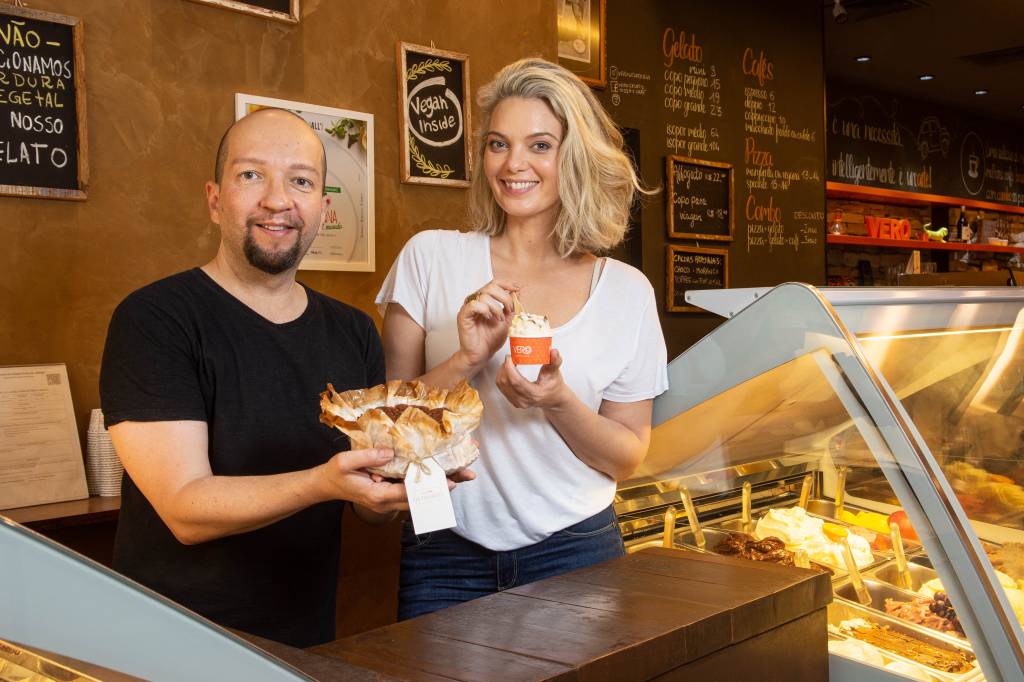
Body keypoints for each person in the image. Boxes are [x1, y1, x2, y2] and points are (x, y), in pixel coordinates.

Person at [99, 108, 419, 647]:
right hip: (169, 646)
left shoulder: (354, 331)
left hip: (304, 644)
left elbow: (368, 512)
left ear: (323, 209)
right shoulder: (155, 319)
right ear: (214, 200)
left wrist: (404, 480)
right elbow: (184, 509)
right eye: (251, 175)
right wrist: (322, 482)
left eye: (301, 181)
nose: (277, 200)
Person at [377, 58, 669, 620]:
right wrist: (466, 359)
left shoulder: (626, 291)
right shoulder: (429, 258)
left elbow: (626, 457)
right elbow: (388, 434)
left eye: (540, 145)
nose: (513, 164)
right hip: (444, 550)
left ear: (574, 157)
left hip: (576, 549)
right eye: (498, 144)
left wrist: (557, 401)